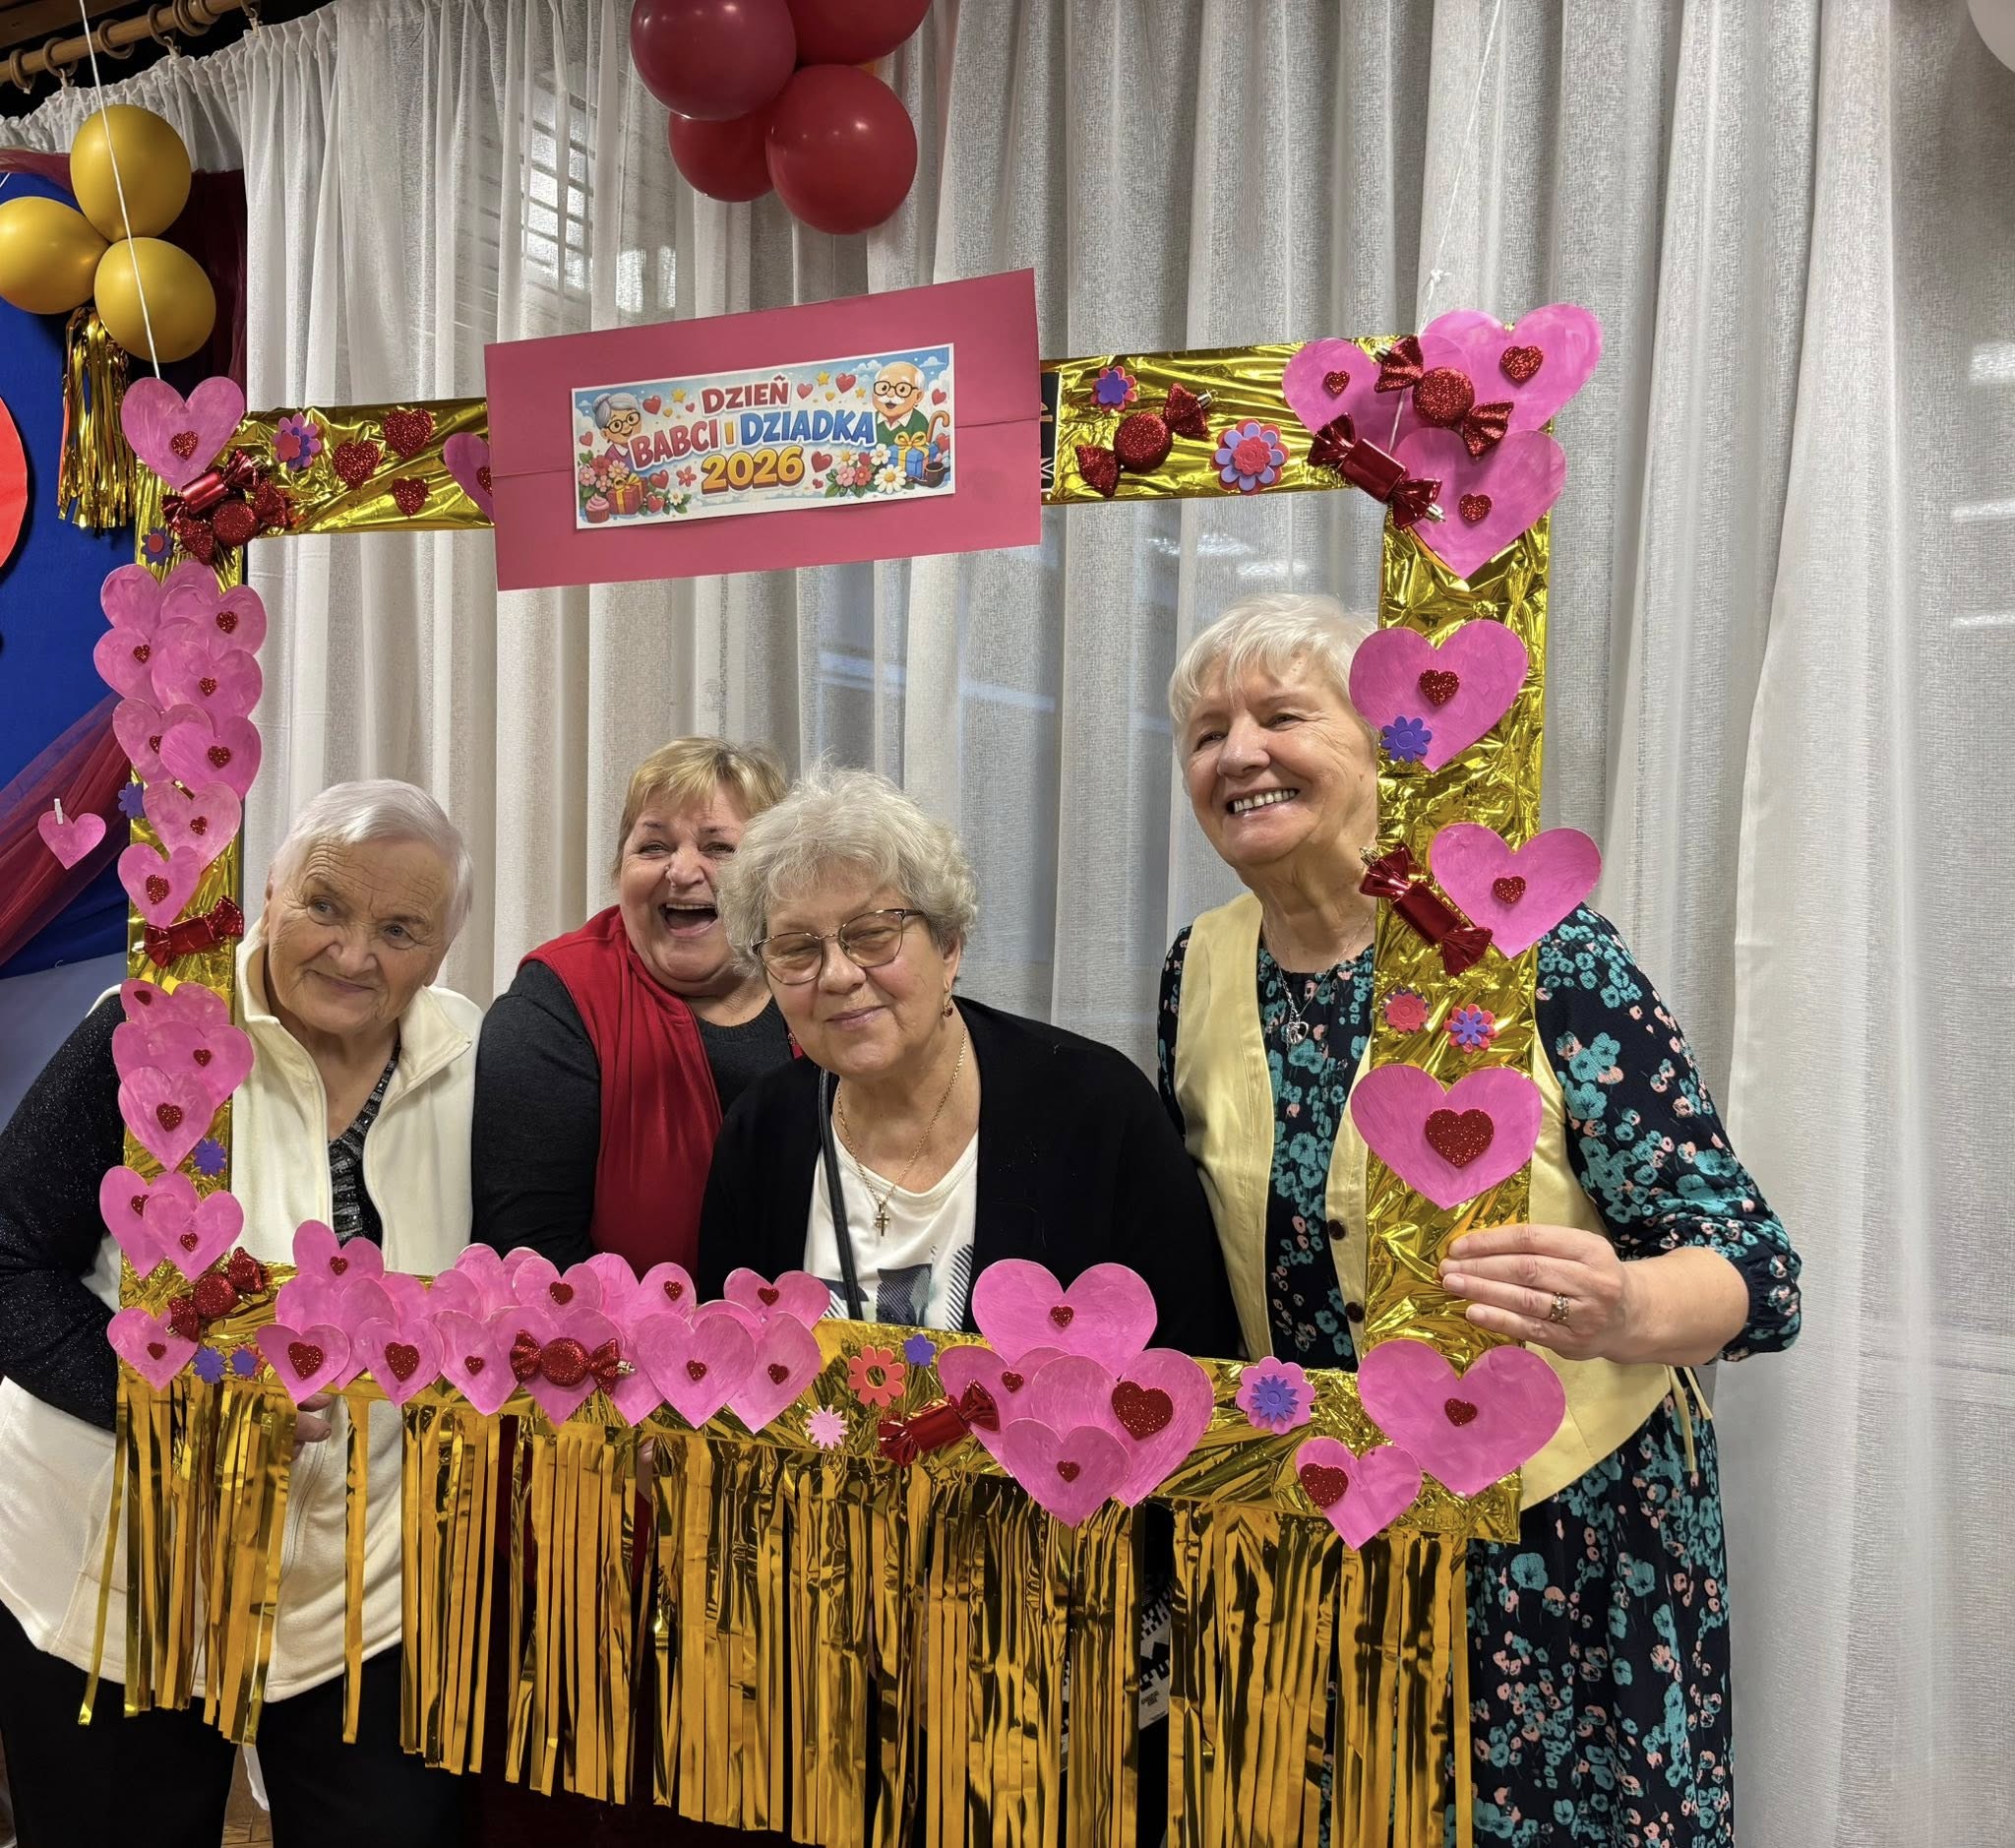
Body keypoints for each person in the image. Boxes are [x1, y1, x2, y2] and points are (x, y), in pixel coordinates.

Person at [1157, 592, 1802, 1847]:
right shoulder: (1199, 964)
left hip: (1558, 1538)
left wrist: (1624, 1302)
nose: (1237, 754)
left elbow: (1753, 1268)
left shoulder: (1537, 950)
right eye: (1203, 734)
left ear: (1385, 747)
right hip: (1321, 1526)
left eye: (1281, 716)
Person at [0, 780, 481, 1848]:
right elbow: (9, 1264)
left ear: (442, 950)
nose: (353, 954)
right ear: (267, 892)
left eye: (400, 930)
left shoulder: (473, 1061)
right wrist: (176, 1404)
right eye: (325, 905)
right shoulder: (151, 1028)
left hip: (362, 1593)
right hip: (123, 1578)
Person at [698, 767, 1238, 1354]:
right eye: (796, 949)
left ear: (949, 946)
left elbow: (1187, 1365)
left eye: (873, 934)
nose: (838, 975)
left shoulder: (1101, 1112)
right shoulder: (759, 1134)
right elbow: (727, 1364)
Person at [473, 737, 792, 1274]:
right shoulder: (554, 1004)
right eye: (653, 847)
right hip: (620, 1328)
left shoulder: (816, 977)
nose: (682, 871)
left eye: (719, 848)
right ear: (619, 870)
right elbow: (533, 1262)